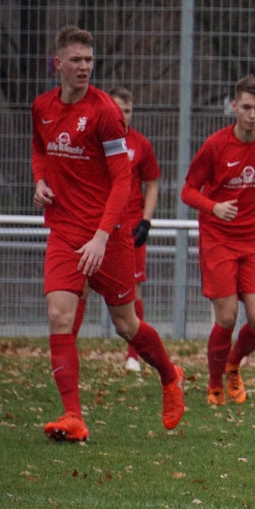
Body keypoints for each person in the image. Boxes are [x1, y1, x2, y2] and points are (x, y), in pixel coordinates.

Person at [31, 25, 184, 441]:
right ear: (57, 62)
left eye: (89, 60)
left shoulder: (105, 112)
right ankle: (74, 417)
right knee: (58, 315)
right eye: (76, 60)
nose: (84, 67)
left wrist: (101, 236)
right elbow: (41, 151)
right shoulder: (42, 107)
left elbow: (122, 181)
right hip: (63, 231)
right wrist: (39, 182)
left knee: (126, 325)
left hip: (109, 235)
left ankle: (170, 376)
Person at [181, 74, 255, 405]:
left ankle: (232, 365)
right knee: (226, 318)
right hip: (218, 239)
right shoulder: (215, 145)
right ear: (233, 107)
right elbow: (187, 191)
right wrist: (214, 207)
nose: (252, 115)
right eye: (246, 107)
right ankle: (214, 385)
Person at [70, 87, 160, 373]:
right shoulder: (94, 139)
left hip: (128, 230)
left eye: (129, 110)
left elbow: (153, 182)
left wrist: (146, 220)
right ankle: (68, 349)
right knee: (79, 287)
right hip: (93, 225)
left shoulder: (141, 144)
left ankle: (133, 355)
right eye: (119, 108)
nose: (123, 114)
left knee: (133, 294)